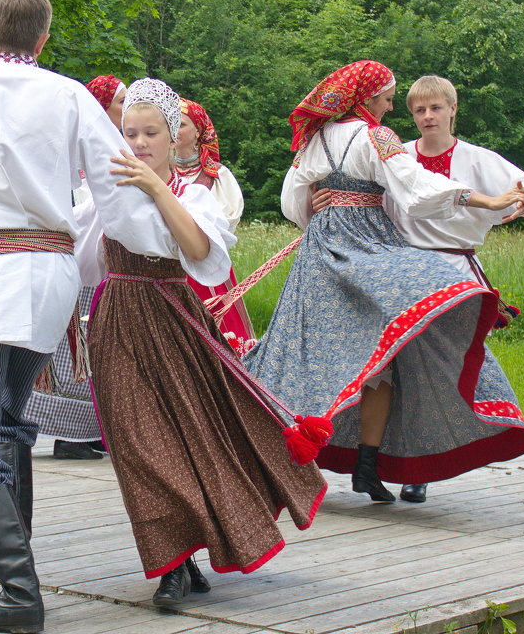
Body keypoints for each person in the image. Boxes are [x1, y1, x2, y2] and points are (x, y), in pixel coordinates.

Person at [0, 0, 165, 632]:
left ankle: (20, 594)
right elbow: (112, 191)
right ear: (43, 40)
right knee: (9, 426)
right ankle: (10, 576)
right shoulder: (72, 95)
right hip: (50, 275)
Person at [242, 60, 524, 504]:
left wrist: (315, 208)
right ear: (367, 98)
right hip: (367, 247)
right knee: (387, 352)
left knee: (314, 355)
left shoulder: (316, 138)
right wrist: (486, 199)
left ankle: (329, 464)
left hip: (320, 253)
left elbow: (290, 201)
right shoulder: (375, 135)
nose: (392, 106)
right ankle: (361, 463)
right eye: (387, 98)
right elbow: (415, 187)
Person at [83, 78, 326, 607]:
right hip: (118, 321)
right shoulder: (103, 188)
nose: (139, 143)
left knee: (193, 437)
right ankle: (171, 564)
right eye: (129, 133)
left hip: (174, 319)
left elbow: (196, 249)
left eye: (151, 133)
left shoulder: (193, 192)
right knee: (139, 447)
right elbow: (78, 255)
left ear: (175, 140)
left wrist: (154, 188)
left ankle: (185, 556)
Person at [384, 75, 524, 503]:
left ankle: (433, 458)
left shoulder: (477, 159)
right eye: (419, 110)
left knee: (446, 370)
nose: (428, 116)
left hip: (455, 269)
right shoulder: (398, 158)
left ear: (453, 110)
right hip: (406, 272)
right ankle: (397, 464)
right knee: (402, 371)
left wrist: (523, 200)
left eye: (436, 108)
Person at [21, 74, 125, 462]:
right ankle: (59, 431)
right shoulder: (82, 147)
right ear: (101, 106)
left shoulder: (111, 146)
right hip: (71, 258)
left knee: (81, 349)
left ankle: (80, 431)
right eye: (119, 102)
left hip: (89, 259)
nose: (125, 108)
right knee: (66, 350)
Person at [174, 97, 255, 352]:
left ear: (198, 131)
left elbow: (228, 219)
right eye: (170, 123)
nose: (175, 129)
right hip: (170, 263)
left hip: (207, 263)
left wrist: (192, 233)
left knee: (219, 333)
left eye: (182, 124)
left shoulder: (217, 175)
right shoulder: (159, 171)